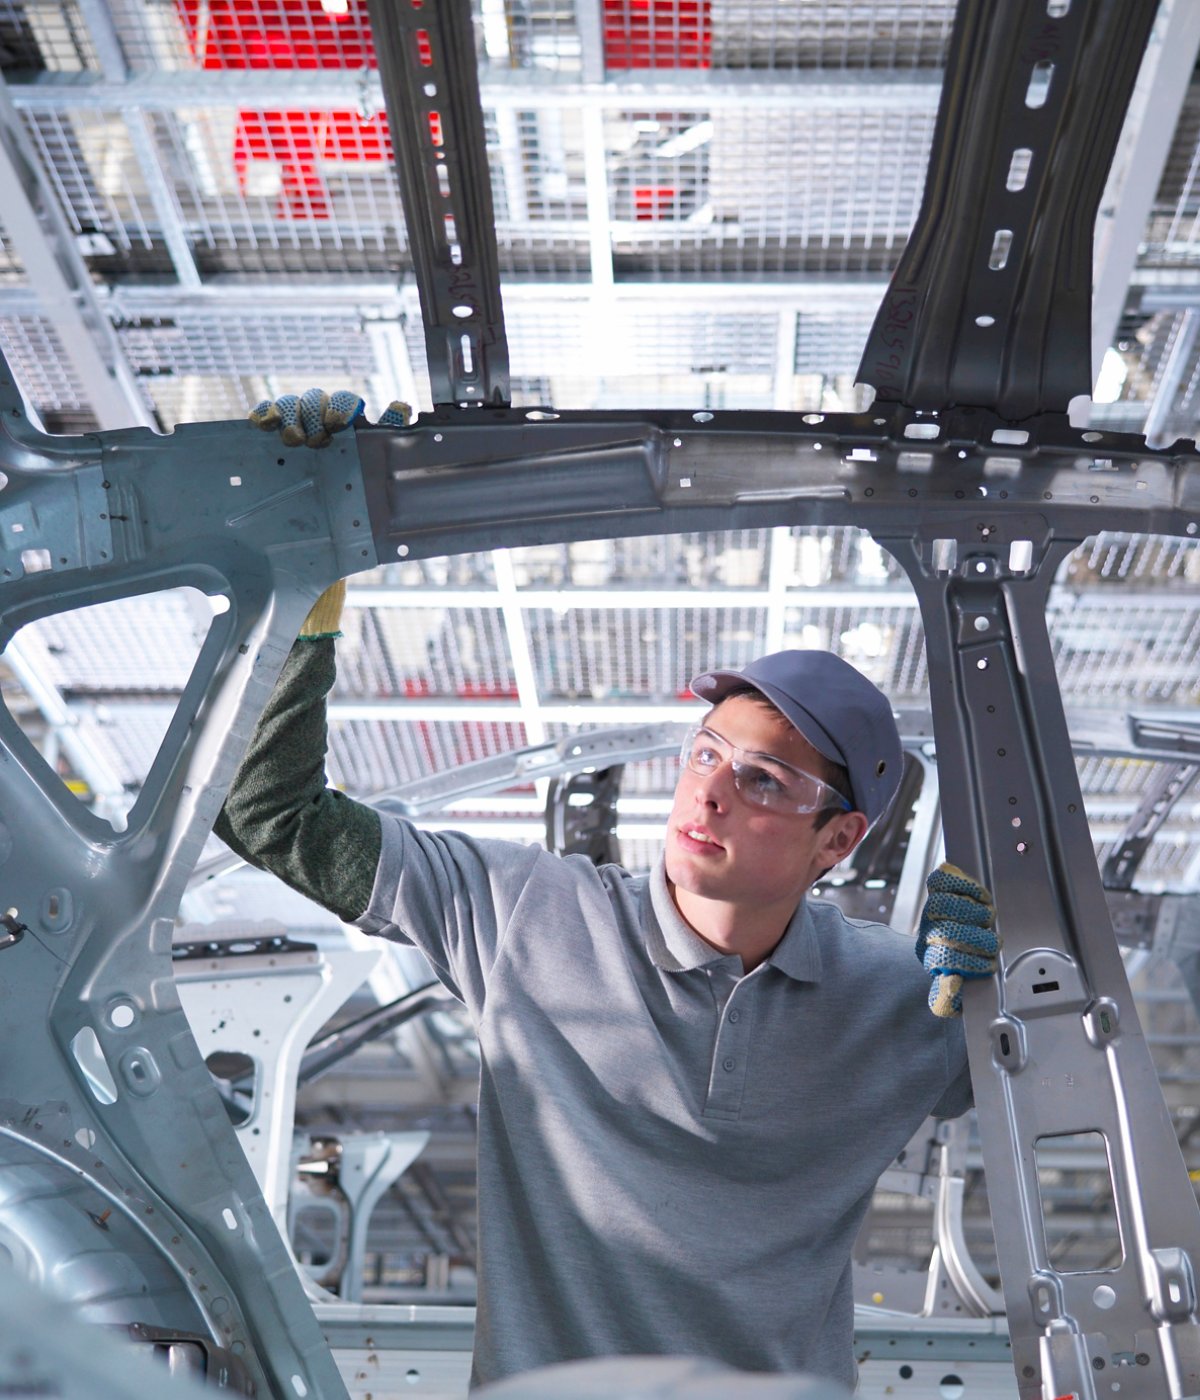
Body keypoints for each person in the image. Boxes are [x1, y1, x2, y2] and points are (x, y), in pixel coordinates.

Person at [221, 392, 1000, 1391]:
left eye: (762, 779)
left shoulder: (907, 996)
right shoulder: (524, 915)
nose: (707, 790)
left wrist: (1014, 979)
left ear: (836, 840)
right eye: (705, 752)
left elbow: (1079, 1088)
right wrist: (296, 572)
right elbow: (267, 811)